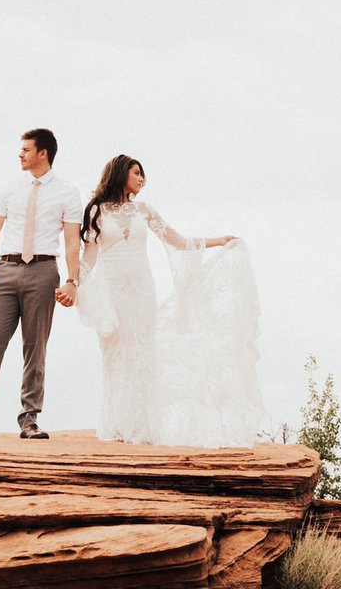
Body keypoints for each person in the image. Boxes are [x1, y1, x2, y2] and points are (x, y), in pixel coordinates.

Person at [77, 154, 264, 446]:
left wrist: (218, 241)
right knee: (114, 355)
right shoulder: (95, 212)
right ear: (119, 173)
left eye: (142, 174)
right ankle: (116, 424)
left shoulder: (144, 211)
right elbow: (88, 256)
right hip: (112, 294)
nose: (141, 179)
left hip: (141, 292)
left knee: (141, 356)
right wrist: (75, 285)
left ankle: (140, 427)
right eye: (136, 172)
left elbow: (177, 241)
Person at [0, 128, 82, 440]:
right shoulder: (10, 188)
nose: (20, 155)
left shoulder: (67, 192)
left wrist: (73, 281)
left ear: (43, 153)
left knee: (35, 347)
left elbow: (71, 242)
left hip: (43, 271)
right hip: (5, 271)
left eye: (25, 149)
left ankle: (29, 419)